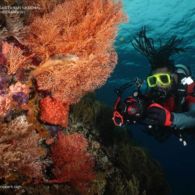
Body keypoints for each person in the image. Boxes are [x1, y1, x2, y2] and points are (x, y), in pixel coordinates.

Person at [112, 27, 195, 145]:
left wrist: (170, 119)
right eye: (153, 80)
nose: (158, 85)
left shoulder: (188, 87)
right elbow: (141, 107)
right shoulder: (152, 91)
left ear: (175, 78)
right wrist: (129, 111)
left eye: (164, 79)